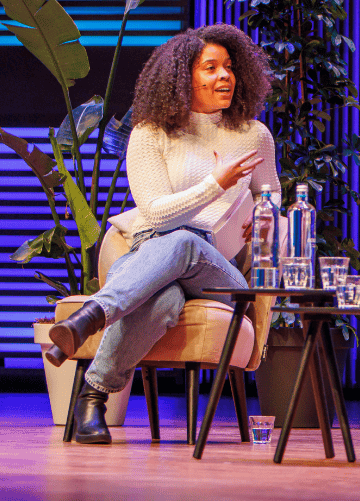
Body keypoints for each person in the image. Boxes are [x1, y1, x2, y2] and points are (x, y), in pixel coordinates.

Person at [44, 25, 278, 445]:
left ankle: (92, 315)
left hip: (217, 273)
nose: (225, 75)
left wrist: (267, 215)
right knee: (165, 297)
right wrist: (216, 184)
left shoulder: (254, 135)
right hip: (154, 253)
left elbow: (271, 192)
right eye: (210, 68)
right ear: (182, 76)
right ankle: (92, 398)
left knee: (187, 242)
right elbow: (154, 213)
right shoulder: (150, 133)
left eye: (229, 67)